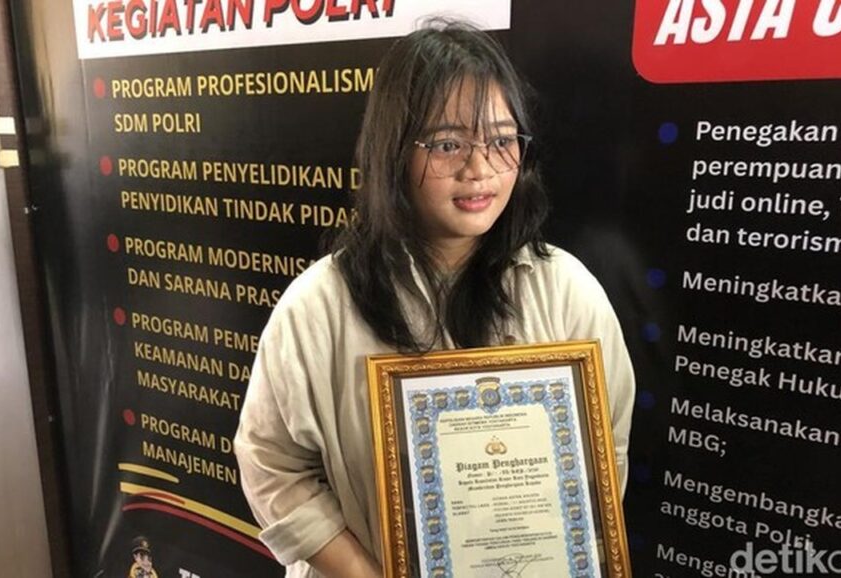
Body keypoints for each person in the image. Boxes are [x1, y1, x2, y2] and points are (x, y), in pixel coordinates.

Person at [235, 19, 635, 578]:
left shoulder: (567, 292)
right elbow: (271, 465)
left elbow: (604, 452)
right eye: (448, 144)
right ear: (394, 151)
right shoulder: (318, 307)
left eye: (502, 141)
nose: (480, 169)